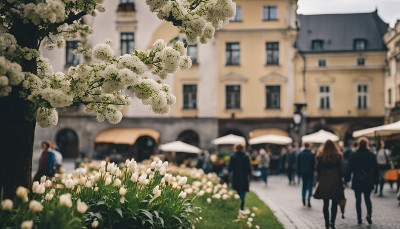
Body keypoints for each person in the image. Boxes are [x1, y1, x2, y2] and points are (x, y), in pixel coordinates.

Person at [345, 137, 378, 225]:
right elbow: (375, 169)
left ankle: (359, 218)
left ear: (359, 144)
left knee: (358, 200)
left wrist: (346, 179)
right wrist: (376, 181)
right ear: (367, 144)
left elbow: (349, 168)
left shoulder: (353, 154)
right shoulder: (371, 154)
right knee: (367, 199)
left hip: (357, 179)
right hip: (368, 178)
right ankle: (369, 215)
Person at [314, 140, 344, 229]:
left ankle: (327, 223)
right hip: (335, 180)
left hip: (324, 180)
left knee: (325, 204)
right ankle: (332, 222)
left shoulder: (320, 156)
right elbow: (342, 170)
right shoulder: (338, 156)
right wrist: (342, 178)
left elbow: (317, 169)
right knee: (334, 203)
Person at [229, 143, 251, 212]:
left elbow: (230, 168)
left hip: (236, 177)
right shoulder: (246, 156)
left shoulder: (233, 156)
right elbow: (248, 169)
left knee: (237, 192)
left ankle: (237, 207)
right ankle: (241, 207)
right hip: (244, 177)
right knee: (242, 193)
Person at [297, 142, 315, 207]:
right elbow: (314, 164)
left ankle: (303, 198)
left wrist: (298, 173)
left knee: (304, 186)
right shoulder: (311, 154)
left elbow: (298, 164)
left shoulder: (300, 154)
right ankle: (309, 198)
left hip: (303, 172)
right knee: (310, 186)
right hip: (310, 172)